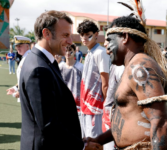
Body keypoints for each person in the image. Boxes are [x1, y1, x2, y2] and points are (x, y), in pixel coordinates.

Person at [84, 15, 167, 150]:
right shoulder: (131, 67)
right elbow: (127, 119)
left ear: (125, 37)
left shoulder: (140, 67)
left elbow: (160, 122)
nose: (105, 44)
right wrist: (98, 140)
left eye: (109, 40)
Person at [19, 10, 101, 150]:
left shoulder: (43, 61)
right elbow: (48, 125)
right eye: (65, 35)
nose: (70, 41)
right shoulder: (39, 69)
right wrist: (81, 146)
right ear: (47, 34)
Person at [77, 19, 110, 139]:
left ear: (96, 34)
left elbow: (105, 83)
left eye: (87, 34)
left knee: (95, 142)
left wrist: (107, 108)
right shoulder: (90, 53)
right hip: (85, 107)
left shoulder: (101, 53)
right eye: (82, 35)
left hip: (96, 108)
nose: (84, 38)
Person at [59, 43, 83, 130]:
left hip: (78, 104)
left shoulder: (80, 67)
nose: (68, 53)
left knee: (78, 129)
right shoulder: (60, 67)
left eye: (70, 51)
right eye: (66, 50)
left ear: (74, 52)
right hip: (64, 102)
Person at [6, 36, 31, 102]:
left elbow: (29, 79)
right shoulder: (25, 57)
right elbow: (22, 79)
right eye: (16, 46)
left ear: (27, 46)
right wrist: (15, 88)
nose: (17, 48)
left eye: (20, 46)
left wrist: (20, 91)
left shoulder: (28, 58)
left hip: (28, 96)